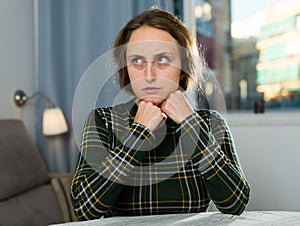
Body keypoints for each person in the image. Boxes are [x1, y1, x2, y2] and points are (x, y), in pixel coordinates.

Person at [70, 8, 250, 221]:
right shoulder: (103, 121)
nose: (149, 75)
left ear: (183, 65)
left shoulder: (210, 123)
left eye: (162, 59)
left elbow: (235, 202)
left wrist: (191, 124)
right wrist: (138, 134)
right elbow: (85, 208)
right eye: (137, 60)